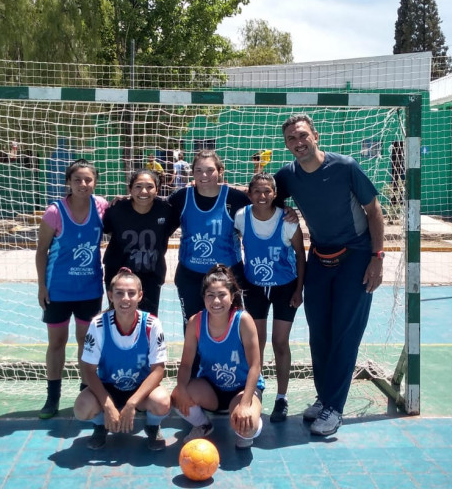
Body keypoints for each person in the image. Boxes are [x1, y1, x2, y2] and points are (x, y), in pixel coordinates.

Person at [274, 114, 385, 437]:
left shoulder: (345, 166)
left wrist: (378, 257)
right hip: (319, 257)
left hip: (357, 257)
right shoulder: (288, 176)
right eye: (291, 139)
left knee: (344, 334)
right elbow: (265, 198)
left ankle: (334, 407)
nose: (298, 143)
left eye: (302, 136)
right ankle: (324, 398)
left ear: (315, 136)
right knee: (319, 332)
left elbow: (373, 210)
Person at [35, 159, 109, 419]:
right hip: (58, 290)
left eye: (88, 179)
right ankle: (52, 397)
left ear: (95, 183)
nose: (83, 184)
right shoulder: (55, 212)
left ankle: (85, 392)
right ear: (69, 182)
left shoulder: (102, 207)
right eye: (77, 179)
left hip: (89, 289)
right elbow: (41, 250)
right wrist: (42, 285)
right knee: (57, 343)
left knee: (85, 343)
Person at [234, 172, 306, 423]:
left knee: (280, 342)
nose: (262, 196)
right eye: (257, 191)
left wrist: (299, 290)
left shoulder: (287, 220)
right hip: (254, 287)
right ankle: (255, 389)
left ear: (275, 194)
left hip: (284, 287)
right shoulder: (242, 217)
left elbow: (300, 255)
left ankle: (282, 397)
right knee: (257, 342)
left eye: (267, 191)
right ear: (249, 193)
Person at [73, 269, 170, 451]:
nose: (125, 298)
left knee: (162, 401)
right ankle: (100, 426)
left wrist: (132, 403)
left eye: (131, 293)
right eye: (119, 293)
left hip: (140, 390)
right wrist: (108, 404)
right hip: (108, 388)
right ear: (110, 295)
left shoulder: (152, 324)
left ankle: (152, 426)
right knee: (81, 407)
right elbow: (88, 370)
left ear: (140, 296)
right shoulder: (98, 325)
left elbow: (158, 370)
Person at [170, 265, 264, 449]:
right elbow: (186, 365)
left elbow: (255, 366)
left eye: (222, 294)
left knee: (247, 429)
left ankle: (247, 421)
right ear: (204, 298)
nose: (216, 301)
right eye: (210, 295)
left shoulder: (243, 320)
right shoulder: (195, 322)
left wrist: (245, 404)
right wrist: (181, 388)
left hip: (242, 389)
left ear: (232, 296)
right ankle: (203, 425)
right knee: (176, 397)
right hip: (211, 389)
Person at [168, 150, 250, 326]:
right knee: (192, 328)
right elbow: (153, 210)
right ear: (192, 172)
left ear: (220, 171)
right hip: (190, 276)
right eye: (198, 170)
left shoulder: (236, 199)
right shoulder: (181, 198)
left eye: (210, 170)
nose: (204, 175)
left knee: (231, 328)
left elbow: (264, 211)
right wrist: (125, 201)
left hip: (228, 276)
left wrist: (287, 212)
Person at [102, 169, 179, 317]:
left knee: (147, 321)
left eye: (150, 186)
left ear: (157, 190)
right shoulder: (116, 209)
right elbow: (106, 229)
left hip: (150, 275)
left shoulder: (166, 211)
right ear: (130, 189)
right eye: (138, 186)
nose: (144, 191)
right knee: (118, 318)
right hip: (118, 274)